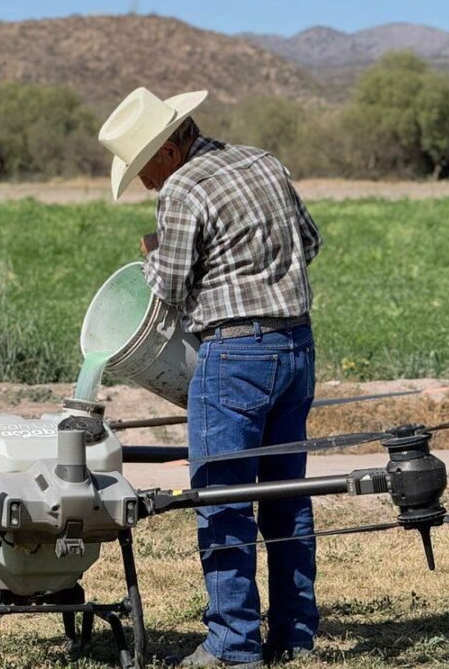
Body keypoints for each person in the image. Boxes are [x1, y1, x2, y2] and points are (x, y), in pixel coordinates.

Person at [98, 87, 323, 666]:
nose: (146, 182)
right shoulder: (262, 161)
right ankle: (295, 635)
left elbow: (168, 291)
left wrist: (152, 254)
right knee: (285, 495)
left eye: (144, 168)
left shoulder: (181, 189)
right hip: (296, 346)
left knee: (222, 500)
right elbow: (311, 242)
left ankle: (231, 645)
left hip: (234, 356)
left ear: (168, 151)